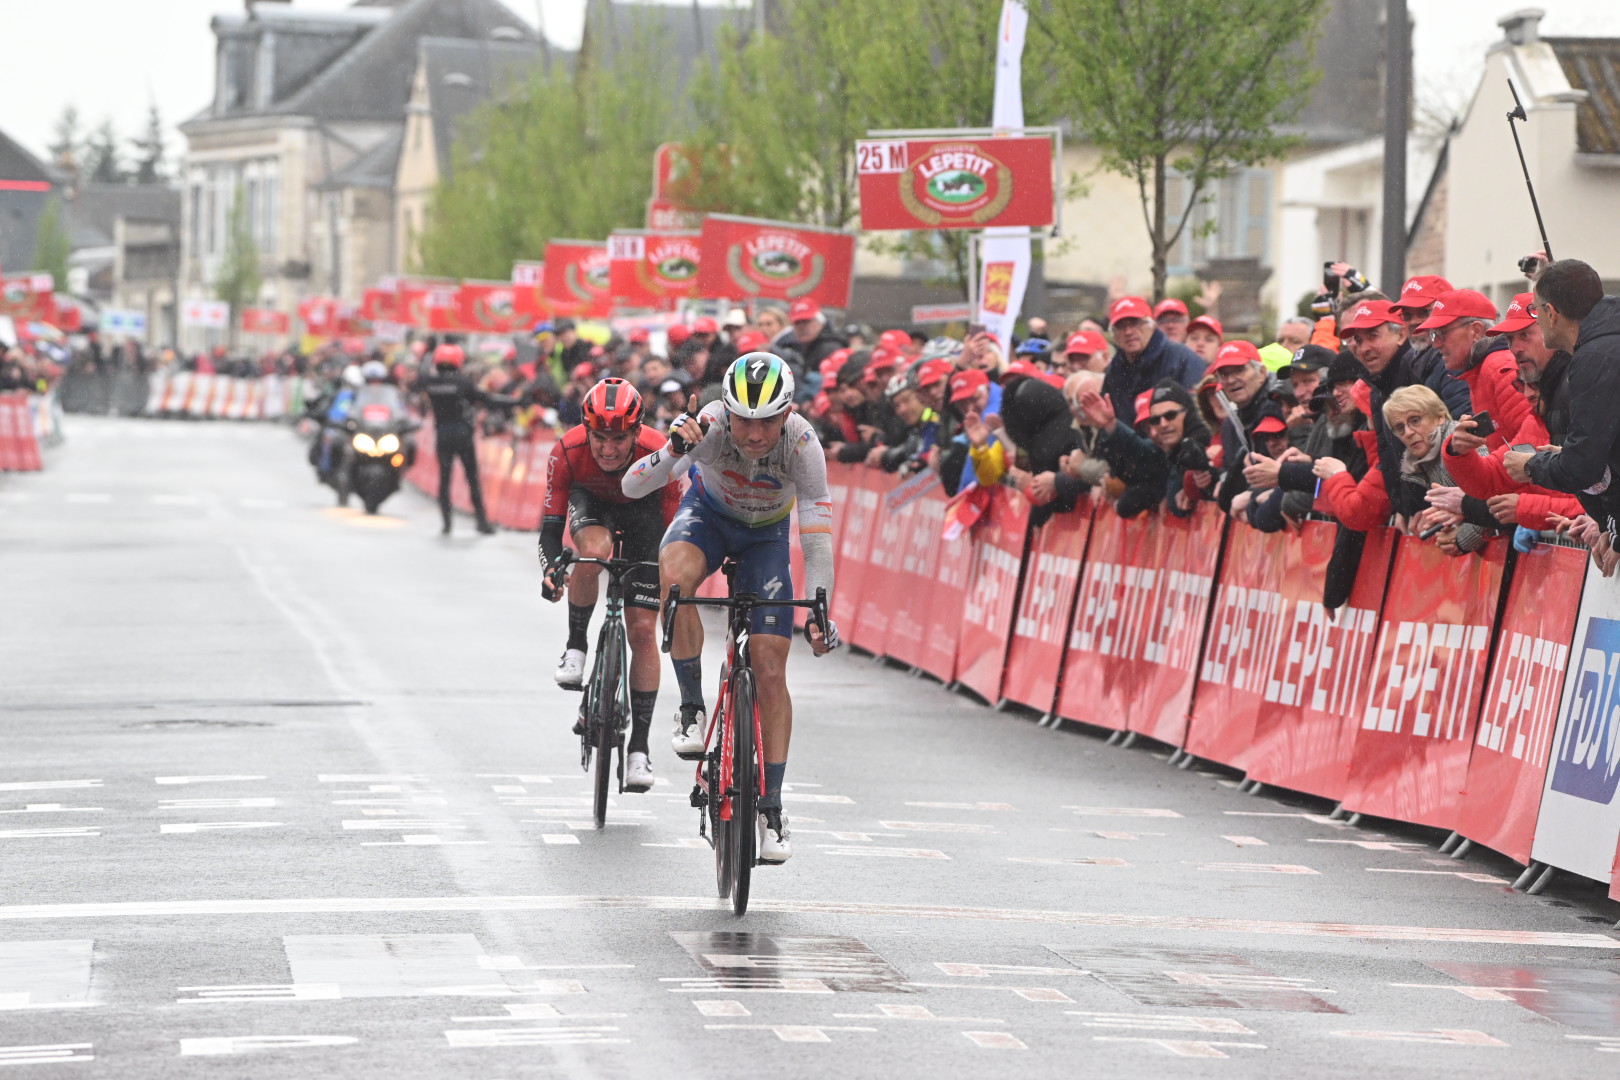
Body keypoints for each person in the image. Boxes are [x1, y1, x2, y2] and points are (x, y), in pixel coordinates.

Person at [621, 353, 839, 864]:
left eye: (766, 421)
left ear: (786, 415)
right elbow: (633, 486)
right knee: (674, 578)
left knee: (768, 666)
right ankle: (692, 709)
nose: (755, 433)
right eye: (744, 418)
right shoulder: (709, 427)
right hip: (708, 518)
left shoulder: (804, 445)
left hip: (767, 539)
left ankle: (772, 810)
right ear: (728, 410)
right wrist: (674, 448)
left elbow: (817, 539)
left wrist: (821, 607)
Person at [539, 378, 680, 792]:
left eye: (619, 438)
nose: (608, 448)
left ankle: (639, 748)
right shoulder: (567, 450)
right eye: (599, 437)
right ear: (587, 430)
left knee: (641, 630)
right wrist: (550, 570)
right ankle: (577, 646)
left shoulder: (660, 451)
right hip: (592, 504)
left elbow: (674, 530)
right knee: (594, 550)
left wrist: (672, 583)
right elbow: (549, 527)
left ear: (636, 433)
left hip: (646, 515)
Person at [1508, 259, 1620, 545]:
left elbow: (1582, 467)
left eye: (1534, 310)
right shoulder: (1601, 347)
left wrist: (1532, 465)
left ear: (1551, 313)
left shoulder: (1595, 358)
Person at [417, 343, 515, 535]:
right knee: (471, 477)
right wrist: (515, 401)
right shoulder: (463, 383)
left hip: (443, 434)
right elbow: (486, 399)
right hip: (462, 434)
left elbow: (419, 379)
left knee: (444, 479)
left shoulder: (430, 382)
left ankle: (446, 522)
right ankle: (481, 521)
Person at [1100, 296, 1207, 424]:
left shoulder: (1184, 359)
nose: (1128, 331)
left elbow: (1198, 419)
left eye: (1135, 323)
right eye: (1121, 326)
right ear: (1114, 334)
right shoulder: (1114, 370)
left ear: (1151, 325)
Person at [786, 299, 848, 370]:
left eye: (806, 321)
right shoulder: (798, 347)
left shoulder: (829, 350)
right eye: (797, 323)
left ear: (819, 321)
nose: (801, 327)